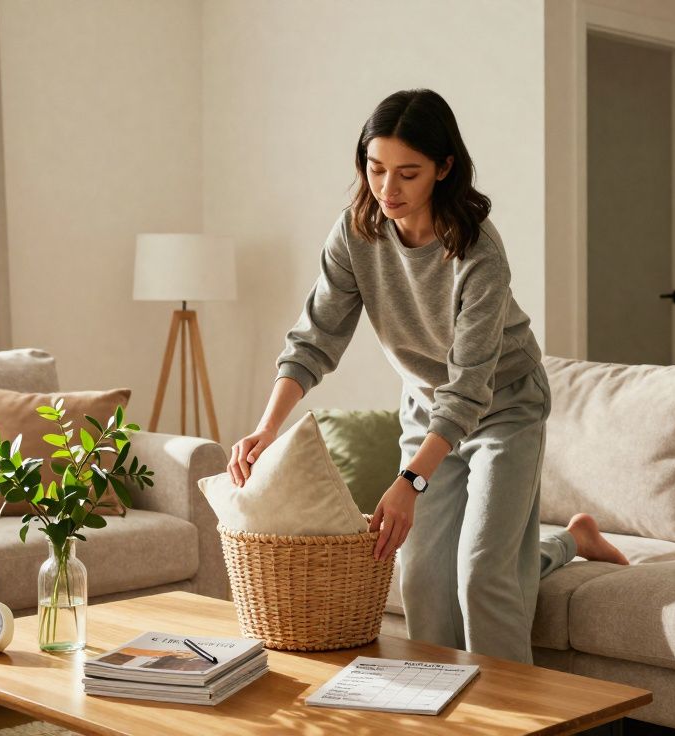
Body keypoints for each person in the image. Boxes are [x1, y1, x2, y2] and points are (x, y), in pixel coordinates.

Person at [226, 88, 627, 665]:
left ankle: (510, 725)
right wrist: (266, 429)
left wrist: (409, 483)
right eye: (375, 169)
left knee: (484, 575)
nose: (387, 190)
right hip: (425, 406)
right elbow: (315, 338)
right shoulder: (355, 234)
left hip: (504, 407)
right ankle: (445, 711)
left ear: (444, 168)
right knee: (423, 581)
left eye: (407, 174)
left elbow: (469, 385)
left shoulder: (478, 252)